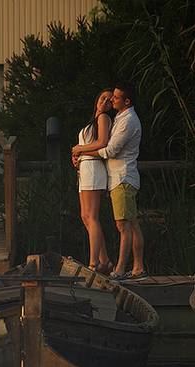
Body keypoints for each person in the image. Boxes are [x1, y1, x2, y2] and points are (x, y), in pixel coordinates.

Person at [73, 81, 145, 280]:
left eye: (115, 97)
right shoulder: (121, 118)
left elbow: (109, 149)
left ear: (127, 101)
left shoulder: (128, 120)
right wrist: (80, 154)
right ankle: (137, 267)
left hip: (123, 177)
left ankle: (119, 269)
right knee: (131, 222)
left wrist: (82, 152)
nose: (111, 99)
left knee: (124, 225)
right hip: (117, 177)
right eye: (108, 97)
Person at [70, 89, 114, 273]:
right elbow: (89, 145)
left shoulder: (104, 118)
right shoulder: (93, 120)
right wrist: (76, 156)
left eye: (110, 100)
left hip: (94, 167)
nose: (105, 101)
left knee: (92, 216)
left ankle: (93, 263)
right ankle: (105, 261)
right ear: (97, 99)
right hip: (85, 168)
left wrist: (79, 149)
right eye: (103, 97)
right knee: (85, 216)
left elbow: (103, 142)